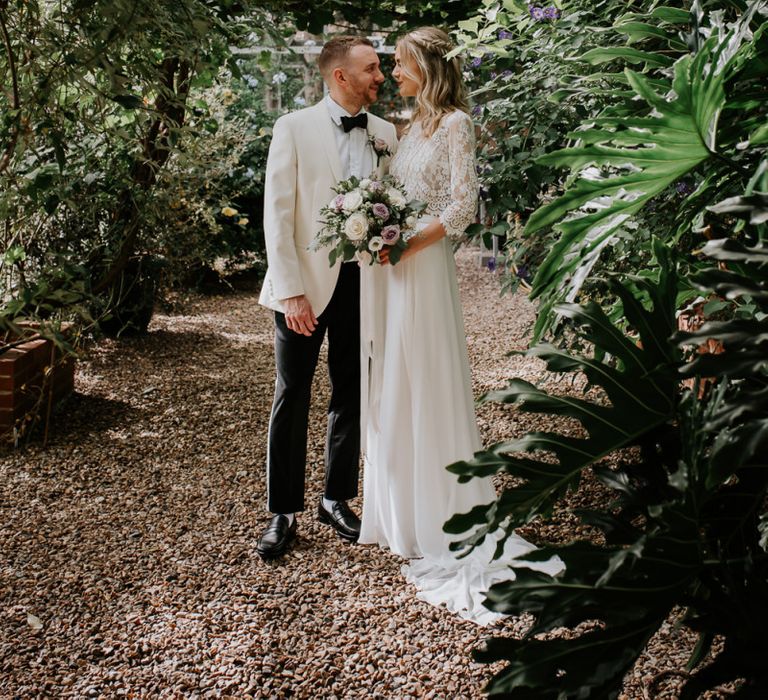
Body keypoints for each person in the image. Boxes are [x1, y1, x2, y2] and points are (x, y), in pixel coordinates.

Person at [358, 27, 561, 624]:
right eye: (392, 65)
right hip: (394, 271)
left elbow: (462, 206)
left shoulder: (454, 125)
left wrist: (404, 245)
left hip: (422, 267)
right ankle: (403, 513)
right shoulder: (405, 128)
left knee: (427, 373)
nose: (393, 73)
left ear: (428, 66)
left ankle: (445, 512)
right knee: (394, 374)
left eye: (401, 64)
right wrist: (372, 227)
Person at [256, 36, 398, 559]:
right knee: (291, 395)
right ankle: (283, 511)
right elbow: (278, 214)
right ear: (341, 76)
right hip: (304, 289)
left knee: (351, 392)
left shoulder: (384, 133)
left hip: (363, 282)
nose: (380, 77)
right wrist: (291, 291)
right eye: (371, 68)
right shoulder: (291, 127)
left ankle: (336, 498)